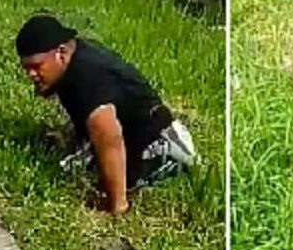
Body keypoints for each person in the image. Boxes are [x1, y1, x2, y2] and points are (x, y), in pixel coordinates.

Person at [14, 13, 197, 215]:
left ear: (62, 52)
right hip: (139, 136)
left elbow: (107, 135)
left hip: (163, 151)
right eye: (26, 68)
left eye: (37, 66)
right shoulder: (74, 61)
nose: (30, 74)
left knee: (84, 174)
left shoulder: (88, 79)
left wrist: (117, 205)